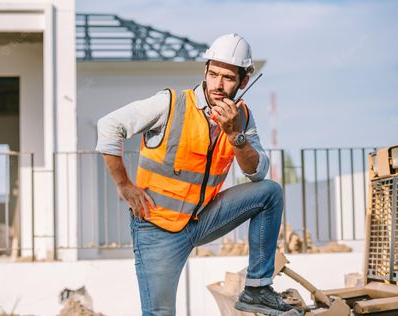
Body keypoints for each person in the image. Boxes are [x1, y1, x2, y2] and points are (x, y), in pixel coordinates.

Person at [96, 33, 295, 316]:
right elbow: (108, 126)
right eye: (213, 74)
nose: (217, 84)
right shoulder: (170, 104)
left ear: (243, 82)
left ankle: (257, 290)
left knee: (270, 192)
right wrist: (123, 185)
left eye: (227, 78)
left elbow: (257, 172)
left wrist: (235, 135)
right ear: (205, 71)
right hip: (157, 228)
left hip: (203, 219)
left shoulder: (243, 118)